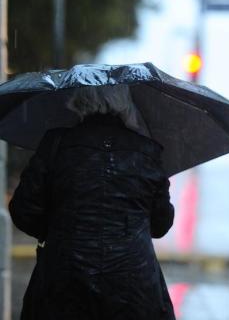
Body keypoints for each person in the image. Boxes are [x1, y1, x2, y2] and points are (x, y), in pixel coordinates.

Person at [8, 84, 176, 319]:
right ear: (124, 103)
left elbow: (23, 210)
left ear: (79, 100)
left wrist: (58, 230)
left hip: (64, 278)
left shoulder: (56, 144)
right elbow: (160, 225)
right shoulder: (147, 151)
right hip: (134, 283)